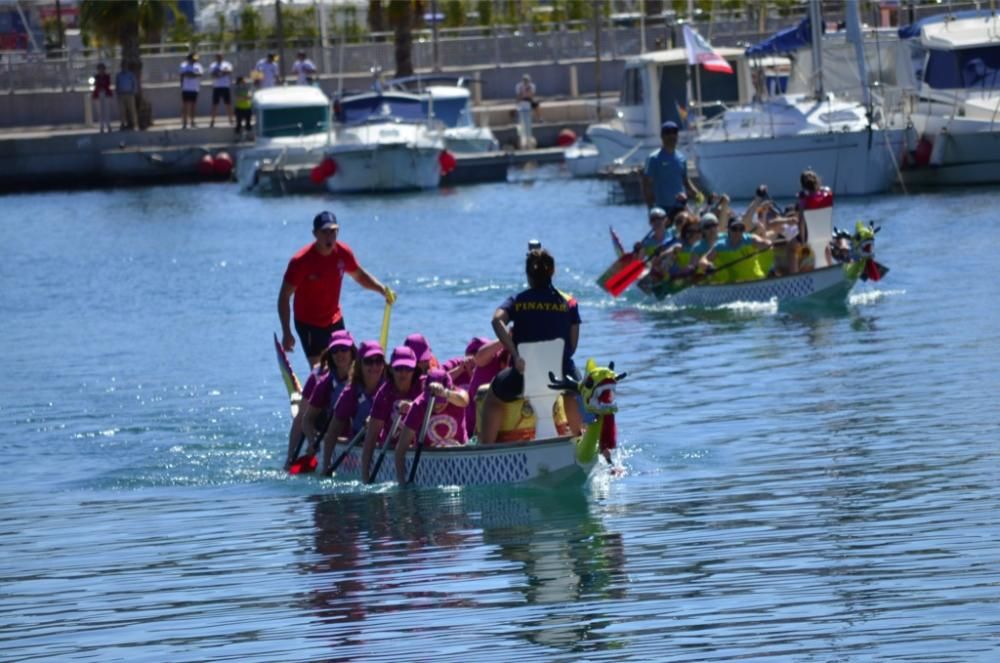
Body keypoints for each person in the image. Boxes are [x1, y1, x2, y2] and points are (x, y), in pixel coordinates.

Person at [479, 248, 582, 444]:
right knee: (573, 391)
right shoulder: (570, 302)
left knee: (492, 397)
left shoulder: (518, 300)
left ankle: (487, 448)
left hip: (524, 376)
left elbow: (496, 321)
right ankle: (579, 439)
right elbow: (573, 346)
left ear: (528, 275)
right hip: (561, 375)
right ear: (552, 272)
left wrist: (515, 354)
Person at [278, 211, 393, 367]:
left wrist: (381, 289)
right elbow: (284, 297)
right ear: (315, 234)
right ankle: (318, 388)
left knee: (348, 366)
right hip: (309, 324)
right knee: (320, 370)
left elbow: (359, 275)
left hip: (334, 319)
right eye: (324, 232)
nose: (329, 236)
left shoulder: (343, 253)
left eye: (333, 231)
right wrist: (286, 331)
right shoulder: (300, 262)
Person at [319, 339, 386, 474]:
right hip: (359, 443)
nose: (374, 366)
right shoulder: (351, 392)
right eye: (368, 361)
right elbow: (332, 434)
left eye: (378, 361)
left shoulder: (391, 385)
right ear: (360, 364)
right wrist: (326, 467)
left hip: (387, 443)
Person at [359, 346, 424, 483]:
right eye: (398, 369)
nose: (403, 374)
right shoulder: (384, 393)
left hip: (418, 446)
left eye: (408, 369)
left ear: (415, 370)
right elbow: (371, 437)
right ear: (390, 370)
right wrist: (365, 476)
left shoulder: (423, 385)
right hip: (390, 446)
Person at [394, 367, 470, 483]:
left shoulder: (457, 395)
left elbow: (464, 400)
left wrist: (444, 393)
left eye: (441, 401)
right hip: (428, 463)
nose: (437, 405)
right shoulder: (418, 406)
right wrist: (402, 482)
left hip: (459, 457)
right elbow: (400, 450)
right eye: (434, 401)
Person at [642, 121, 702, 210]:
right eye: (668, 133)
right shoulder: (653, 158)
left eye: (674, 132)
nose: (671, 136)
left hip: (680, 207)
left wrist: (698, 195)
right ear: (662, 136)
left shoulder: (682, 158)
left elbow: (685, 181)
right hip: (661, 209)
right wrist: (651, 207)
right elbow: (646, 184)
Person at [707, 216, 774, 284]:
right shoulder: (720, 246)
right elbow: (704, 260)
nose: (738, 232)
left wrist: (767, 243)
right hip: (736, 285)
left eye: (741, 229)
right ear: (728, 230)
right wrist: (707, 266)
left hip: (756, 280)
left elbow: (763, 243)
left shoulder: (751, 239)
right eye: (734, 229)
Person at [208, 53, 234, 128]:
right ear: (216, 57)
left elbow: (229, 72)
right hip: (217, 87)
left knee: (228, 104)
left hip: (225, 86)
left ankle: (231, 119)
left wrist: (219, 74)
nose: (219, 57)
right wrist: (223, 73)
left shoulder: (227, 64)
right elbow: (213, 74)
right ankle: (212, 120)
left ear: (223, 57)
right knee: (215, 104)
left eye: (220, 56)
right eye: (217, 56)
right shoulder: (213, 65)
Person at [179, 52, 203, 129]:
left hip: (194, 88)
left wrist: (190, 74)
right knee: (185, 106)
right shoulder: (183, 65)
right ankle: (184, 122)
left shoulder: (198, 65)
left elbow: (199, 74)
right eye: (193, 59)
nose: (194, 60)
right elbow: (183, 74)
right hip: (186, 88)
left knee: (193, 106)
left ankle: (192, 121)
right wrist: (192, 74)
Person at [515, 73, 537, 149]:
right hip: (521, 108)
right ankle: (521, 143)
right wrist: (522, 91)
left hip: (528, 108)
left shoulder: (532, 86)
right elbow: (518, 98)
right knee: (521, 127)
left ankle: (529, 142)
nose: (526, 82)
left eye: (527, 80)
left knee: (528, 126)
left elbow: (531, 97)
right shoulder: (519, 86)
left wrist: (528, 90)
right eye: (524, 80)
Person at [114, 66, 138, 131]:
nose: (124, 68)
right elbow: (117, 84)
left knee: (131, 109)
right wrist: (118, 93)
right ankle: (123, 124)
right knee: (122, 110)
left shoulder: (130, 75)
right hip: (121, 94)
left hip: (129, 94)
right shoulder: (119, 75)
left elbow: (134, 83)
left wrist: (134, 92)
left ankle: (134, 123)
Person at [91, 63, 113, 133]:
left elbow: (107, 84)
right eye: (99, 69)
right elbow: (95, 85)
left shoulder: (107, 76)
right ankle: (101, 126)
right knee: (100, 111)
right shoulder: (96, 77)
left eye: (102, 69)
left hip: (106, 94)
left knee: (107, 110)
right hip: (98, 95)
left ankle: (108, 125)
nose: (101, 70)